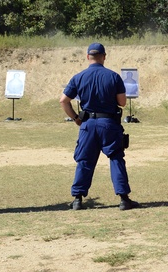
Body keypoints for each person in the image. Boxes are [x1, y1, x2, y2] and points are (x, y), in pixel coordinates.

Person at [59, 43, 139, 210]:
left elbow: (63, 101)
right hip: (109, 124)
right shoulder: (114, 77)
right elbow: (122, 103)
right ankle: (124, 199)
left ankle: (77, 199)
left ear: (88, 57)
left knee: (85, 161)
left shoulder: (78, 77)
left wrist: (75, 118)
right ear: (104, 56)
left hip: (87, 124)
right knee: (116, 158)